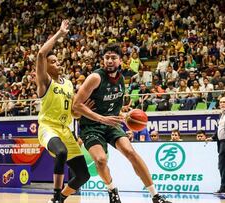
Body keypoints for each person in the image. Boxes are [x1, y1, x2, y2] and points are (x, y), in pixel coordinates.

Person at [73, 43, 171, 203]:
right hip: (91, 125)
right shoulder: (95, 78)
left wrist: (124, 115)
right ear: (103, 60)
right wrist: (101, 118)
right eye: (107, 58)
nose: (110, 61)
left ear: (120, 61)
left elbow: (113, 108)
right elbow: (76, 105)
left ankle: (155, 195)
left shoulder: (121, 80)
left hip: (110, 123)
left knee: (130, 152)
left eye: (113, 58)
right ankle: (112, 189)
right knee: (100, 160)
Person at [36, 20, 90, 203]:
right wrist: (59, 34)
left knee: (83, 175)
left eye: (58, 61)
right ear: (46, 67)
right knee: (61, 152)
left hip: (66, 129)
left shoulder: (68, 84)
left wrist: (83, 110)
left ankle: (60, 198)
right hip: (48, 128)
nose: (57, 63)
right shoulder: (45, 82)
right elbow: (41, 54)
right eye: (53, 62)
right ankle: (56, 195)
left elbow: (74, 113)